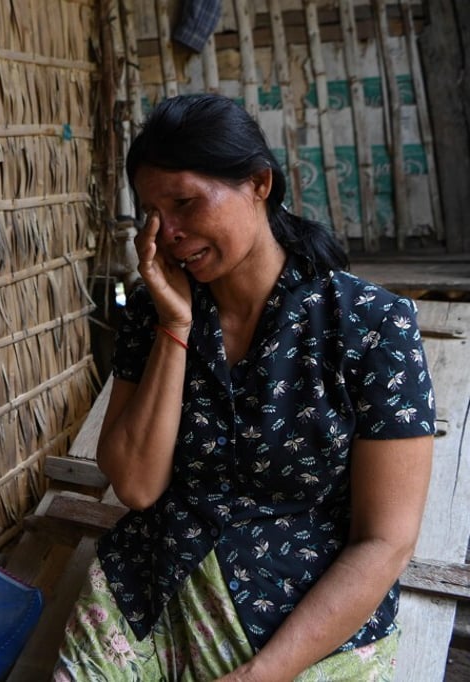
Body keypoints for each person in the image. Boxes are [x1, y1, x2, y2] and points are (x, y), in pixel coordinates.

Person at [55, 93, 435, 680]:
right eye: (152, 212)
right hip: (153, 585)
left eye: (184, 202)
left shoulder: (370, 325)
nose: (169, 232)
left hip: (304, 613)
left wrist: (263, 673)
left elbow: (386, 541)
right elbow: (135, 486)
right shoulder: (155, 314)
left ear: (259, 183)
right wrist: (175, 327)